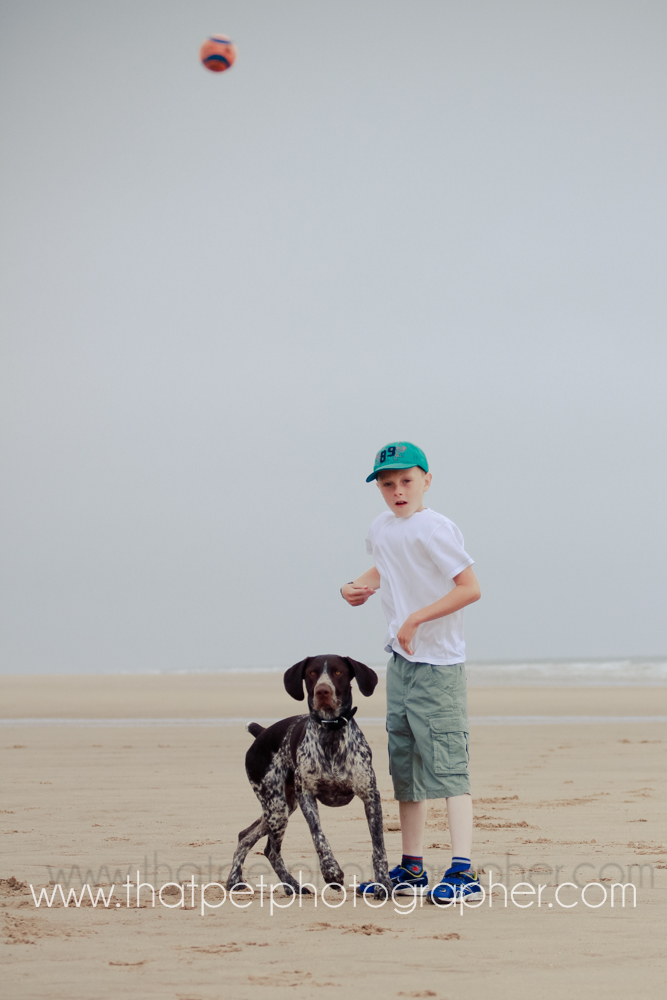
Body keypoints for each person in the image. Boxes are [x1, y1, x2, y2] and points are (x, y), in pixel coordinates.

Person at [341, 441, 482, 903]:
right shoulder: (381, 528)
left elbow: (469, 588)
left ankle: (463, 872)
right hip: (402, 664)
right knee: (406, 768)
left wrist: (416, 618)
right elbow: (386, 566)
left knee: (449, 767)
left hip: (439, 665)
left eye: (406, 481)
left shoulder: (436, 528)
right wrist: (357, 586)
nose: (398, 491)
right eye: (388, 484)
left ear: (426, 480)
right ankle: (412, 868)